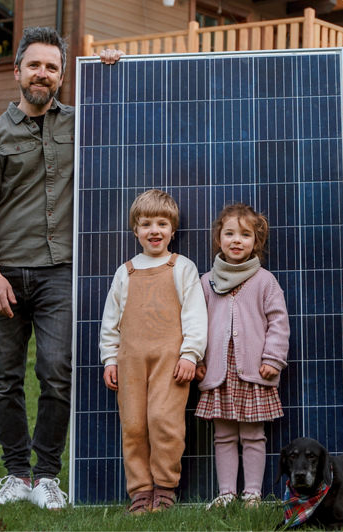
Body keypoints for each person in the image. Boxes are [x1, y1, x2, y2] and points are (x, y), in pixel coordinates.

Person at [0, 26, 118, 510]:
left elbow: (130, 117)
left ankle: (47, 476)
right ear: (17, 71)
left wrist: (114, 69)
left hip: (60, 274)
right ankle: (16, 475)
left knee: (57, 372)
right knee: (6, 378)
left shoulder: (81, 123)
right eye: (34, 65)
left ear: (62, 76)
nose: (43, 74)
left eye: (52, 67)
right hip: (6, 274)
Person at [100, 188, 208, 515]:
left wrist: (190, 354)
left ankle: (164, 486)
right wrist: (109, 358)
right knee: (133, 425)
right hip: (130, 361)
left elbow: (195, 314)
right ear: (135, 231)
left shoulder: (182, 267)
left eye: (162, 224)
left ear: (172, 230)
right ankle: (140, 489)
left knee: (164, 421)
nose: (154, 231)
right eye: (146, 224)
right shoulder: (126, 271)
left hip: (169, 361)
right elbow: (110, 320)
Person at [195, 204, 290, 509]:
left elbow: (278, 322)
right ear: (218, 238)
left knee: (252, 435)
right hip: (219, 373)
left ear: (256, 242)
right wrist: (197, 360)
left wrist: (273, 359)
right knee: (223, 436)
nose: (237, 240)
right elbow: (194, 324)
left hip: (254, 372)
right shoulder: (206, 282)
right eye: (230, 233)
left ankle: (252, 493)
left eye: (245, 234)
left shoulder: (264, 281)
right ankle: (226, 493)